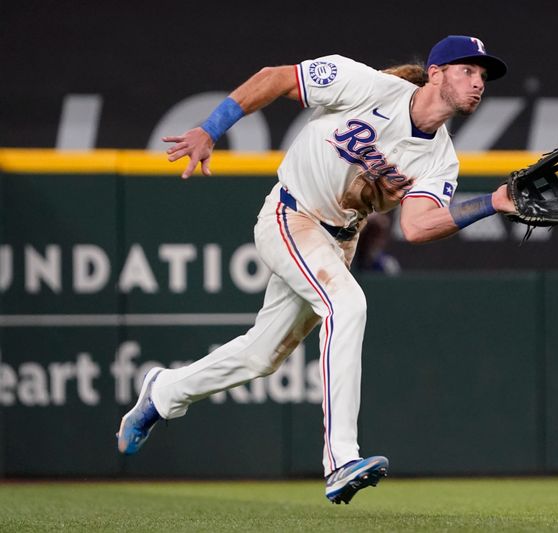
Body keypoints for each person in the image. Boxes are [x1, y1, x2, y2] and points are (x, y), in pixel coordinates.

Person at [117, 35, 515, 504]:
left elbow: (419, 225)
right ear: (435, 73)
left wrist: (494, 202)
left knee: (261, 356)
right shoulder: (365, 85)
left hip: (338, 242)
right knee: (348, 305)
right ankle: (341, 459)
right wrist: (210, 129)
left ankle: (164, 392)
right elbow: (273, 79)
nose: (478, 83)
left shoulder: (439, 159)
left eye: (482, 76)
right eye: (468, 71)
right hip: (291, 215)